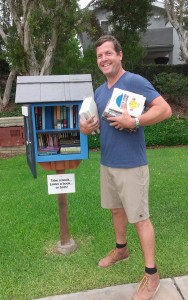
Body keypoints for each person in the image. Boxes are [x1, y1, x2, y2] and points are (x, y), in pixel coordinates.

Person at [80, 35, 172, 300]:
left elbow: (164, 110)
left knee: (140, 219)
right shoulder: (99, 92)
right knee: (116, 210)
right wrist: (84, 128)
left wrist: (136, 121)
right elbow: (88, 125)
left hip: (132, 166)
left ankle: (152, 275)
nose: (104, 59)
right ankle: (121, 249)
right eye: (99, 56)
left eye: (108, 53)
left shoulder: (134, 81)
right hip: (108, 164)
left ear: (120, 55)